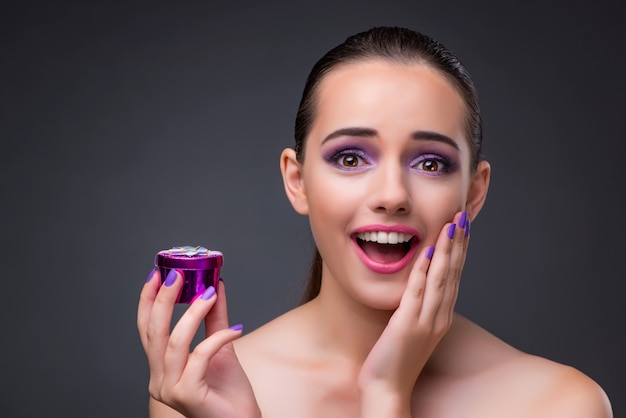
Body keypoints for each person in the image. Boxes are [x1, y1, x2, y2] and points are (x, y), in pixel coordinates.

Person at [137, 27, 613, 417]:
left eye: (430, 163)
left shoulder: (561, 404)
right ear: (297, 180)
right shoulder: (202, 394)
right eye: (349, 158)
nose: (391, 196)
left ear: (474, 192)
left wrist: (386, 394)